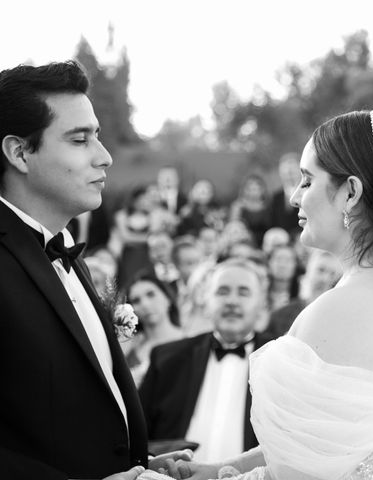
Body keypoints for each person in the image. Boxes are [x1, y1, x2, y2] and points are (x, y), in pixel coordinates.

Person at [162, 108, 373, 480]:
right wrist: (216, 470)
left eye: (308, 180)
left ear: (351, 192)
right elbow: (317, 444)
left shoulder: (343, 312)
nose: (295, 196)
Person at [0, 61, 189, 480]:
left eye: (97, 137)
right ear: (19, 153)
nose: (104, 158)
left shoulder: (69, 256)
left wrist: (138, 465)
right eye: (80, 139)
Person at [139, 258, 274, 464]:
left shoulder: (280, 360)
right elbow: (139, 434)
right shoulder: (167, 359)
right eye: (222, 291)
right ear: (205, 298)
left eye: (243, 292)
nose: (232, 301)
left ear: (262, 302)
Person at [123, 273, 184, 387]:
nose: (145, 304)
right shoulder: (129, 347)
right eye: (136, 300)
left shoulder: (191, 340)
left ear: (167, 298)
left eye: (151, 294)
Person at [266, 248, 342, 338]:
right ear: (308, 270)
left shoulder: (337, 320)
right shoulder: (281, 315)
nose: (324, 279)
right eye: (321, 270)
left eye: (332, 274)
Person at [229, 173, 271, 247]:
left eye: (256, 189)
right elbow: (233, 226)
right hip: (243, 242)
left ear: (262, 190)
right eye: (250, 189)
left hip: (266, 242)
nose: (253, 192)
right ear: (245, 190)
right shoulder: (238, 206)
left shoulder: (269, 206)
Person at [269, 152, 301, 238]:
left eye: (292, 170)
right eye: (285, 170)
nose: (289, 174)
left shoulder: (307, 193)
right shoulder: (275, 197)